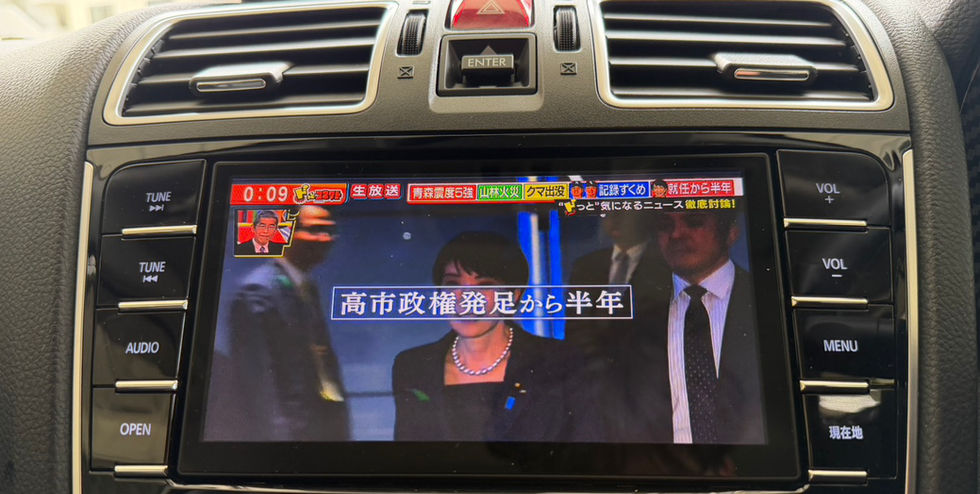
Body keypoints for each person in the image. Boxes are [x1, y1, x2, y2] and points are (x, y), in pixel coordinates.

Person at [391, 231, 599, 442]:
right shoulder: (412, 366)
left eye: (484, 285)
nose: (466, 299)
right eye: (453, 285)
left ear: (513, 295)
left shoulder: (560, 361)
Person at [622, 209, 764, 444]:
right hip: (657, 463)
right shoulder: (633, 307)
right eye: (665, 225)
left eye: (694, 222)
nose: (676, 234)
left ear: (731, 233)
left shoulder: (767, 299)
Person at [208, 205, 349, 441]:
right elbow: (257, 384)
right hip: (289, 440)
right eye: (315, 230)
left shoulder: (306, 288)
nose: (325, 239)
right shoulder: (257, 291)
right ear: (288, 233)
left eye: (329, 231)